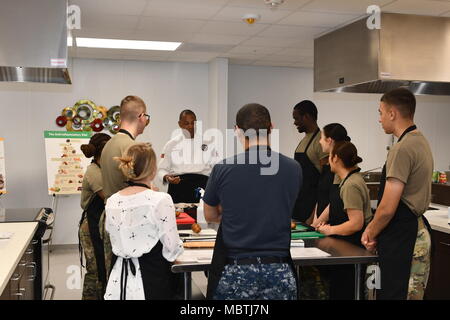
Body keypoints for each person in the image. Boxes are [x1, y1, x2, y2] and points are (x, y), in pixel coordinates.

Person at [204, 103, 301, 300]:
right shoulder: (294, 168)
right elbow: (283, 207)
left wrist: (235, 214)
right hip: (280, 271)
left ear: (237, 131)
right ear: (271, 128)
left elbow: (210, 215)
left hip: (236, 272)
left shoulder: (223, 169)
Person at [361, 88, 433, 300]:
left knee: (395, 294)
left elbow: (387, 208)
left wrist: (370, 232)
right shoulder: (420, 141)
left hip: (405, 237)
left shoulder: (401, 148)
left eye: (381, 112)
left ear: (392, 113)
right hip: (414, 232)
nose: (379, 119)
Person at [104, 143, 183, 300]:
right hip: (152, 278)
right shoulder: (160, 199)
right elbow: (171, 248)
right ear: (153, 171)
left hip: (118, 278)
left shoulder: (112, 200)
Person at [314, 141, 373, 299]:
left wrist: (330, 230)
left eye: (330, 156)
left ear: (336, 158)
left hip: (351, 250)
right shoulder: (346, 180)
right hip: (344, 249)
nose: (328, 160)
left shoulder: (351, 185)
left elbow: (356, 223)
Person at [100, 95, 150, 278]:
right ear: (141, 116)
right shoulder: (130, 147)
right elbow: (141, 188)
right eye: (147, 118)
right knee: (127, 281)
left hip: (110, 216)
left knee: (113, 276)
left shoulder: (110, 144)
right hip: (126, 221)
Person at [158, 109, 219, 204]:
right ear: (180, 124)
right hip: (178, 186)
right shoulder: (171, 144)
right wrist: (167, 177)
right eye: (187, 123)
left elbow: (217, 167)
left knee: (201, 217)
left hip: (202, 187)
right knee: (179, 218)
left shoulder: (208, 143)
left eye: (193, 123)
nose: (191, 126)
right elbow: (161, 169)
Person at [79, 133, 111, 299]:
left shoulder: (104, 169)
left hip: (102, 223)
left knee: (105, 266)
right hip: (91, 226)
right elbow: (108, 196)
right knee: (96, 269)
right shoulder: (93, 172)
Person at [292, 100, 328, 223]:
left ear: (306, 117)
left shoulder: (321, 141)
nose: (294, 122)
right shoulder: (304, 141)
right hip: (299, 205)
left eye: (296, 118)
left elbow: (326, 180)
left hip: (311, 209)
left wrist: (314, 214)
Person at [314, 123, 351, 222]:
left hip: (334, 224)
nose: (319, 141)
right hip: (323, 224)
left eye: (321, 138)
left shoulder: (340, 166)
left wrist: (317, 223)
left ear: (329, 141)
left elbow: (334, 200)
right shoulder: (328, 166)